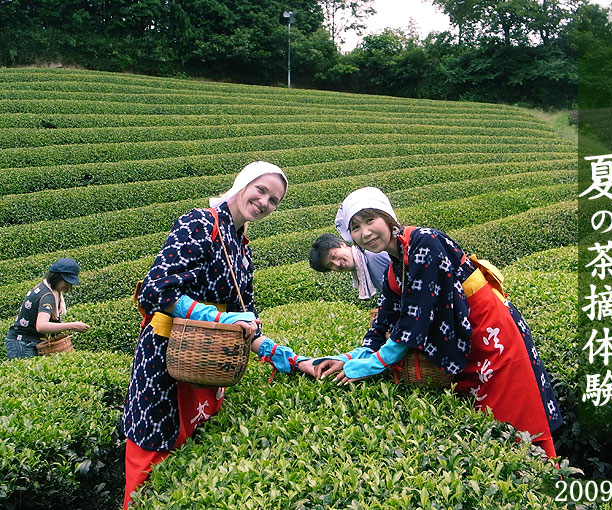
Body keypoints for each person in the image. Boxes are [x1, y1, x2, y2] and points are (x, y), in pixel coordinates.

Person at [314, 187, 562, 458]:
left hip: (489, 329)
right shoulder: (394, 266)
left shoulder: (424, 242)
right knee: (486, 417)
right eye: (356, 228)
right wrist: (351, 359)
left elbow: (415, 318)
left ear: (387, 217)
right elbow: (383, 320)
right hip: (464, 334)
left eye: (370, 220)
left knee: (517, 407)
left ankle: (547, 475)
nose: (365, 233)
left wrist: (372, 365)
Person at [122, 161, 314, 509]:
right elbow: (155, 291)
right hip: (166, 359)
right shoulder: (199, 222)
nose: (264, 202)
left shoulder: (242, 246)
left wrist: (289, 360)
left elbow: (247, 321)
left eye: (274, 200)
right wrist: (214, 317)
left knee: (191, 456)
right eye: (261, 190)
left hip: (207, 363)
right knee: (154, 451)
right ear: (243, 184)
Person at [5, 258, 90, 359]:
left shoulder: (49, 289)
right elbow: (41, 326)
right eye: (66, 281)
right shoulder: (47, 296)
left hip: (27, 341)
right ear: (56, 278)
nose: (68, 286)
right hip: (23, 344)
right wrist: (72, 326)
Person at [308, 233, 390, 299]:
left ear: (342, 245)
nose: (337, 264)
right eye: (330, 265)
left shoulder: (374, 255)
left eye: (333, 256)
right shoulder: (362, 270)